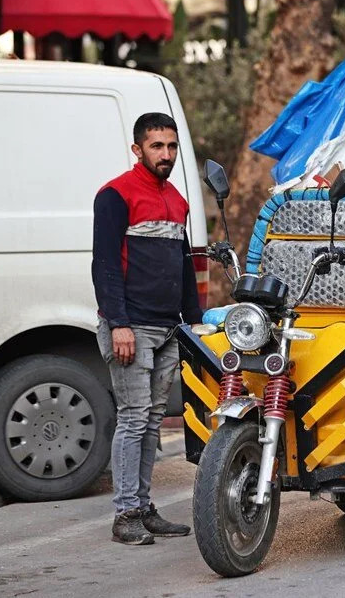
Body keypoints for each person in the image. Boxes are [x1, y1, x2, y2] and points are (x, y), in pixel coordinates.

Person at [92, 112, 203, 545]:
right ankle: (125, 515)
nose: (166, 154)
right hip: (131, 327)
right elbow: (104, 265)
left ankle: (142, 505)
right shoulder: (115, 195)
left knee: (154, 420)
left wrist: (193, 321)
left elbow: (183, 265)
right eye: (157, 146)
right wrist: (118, 323)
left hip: (168, 328)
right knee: (134, 418)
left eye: (172, 146)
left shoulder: (177, 199)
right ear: (137, 149)